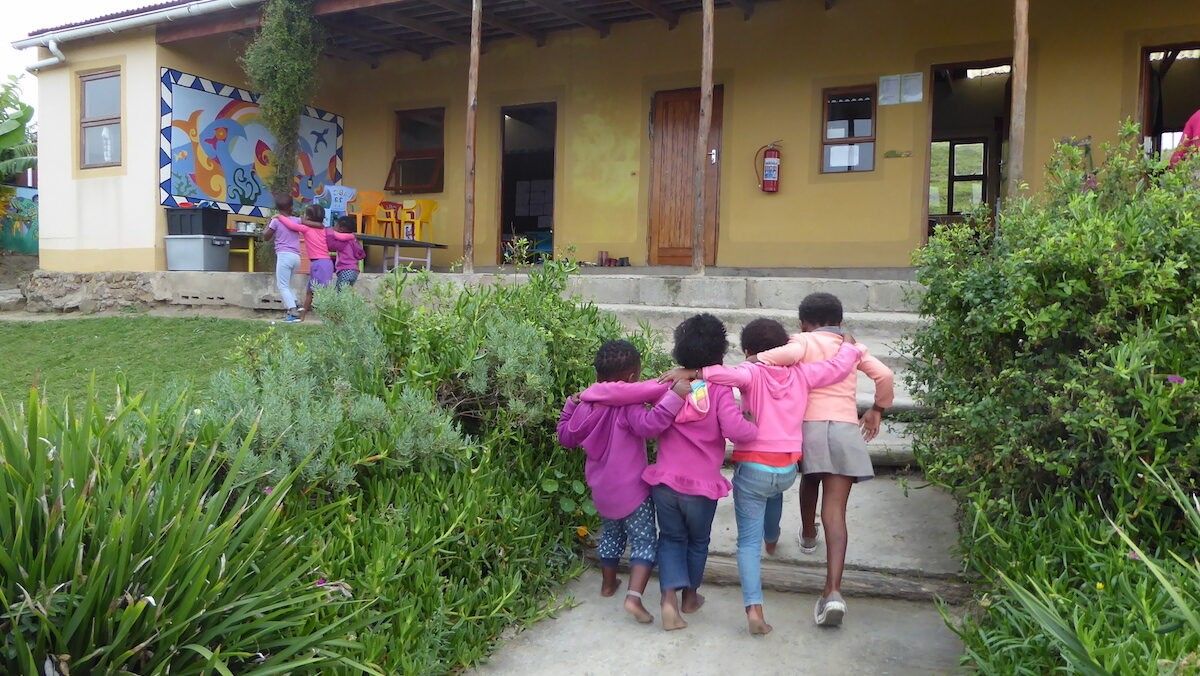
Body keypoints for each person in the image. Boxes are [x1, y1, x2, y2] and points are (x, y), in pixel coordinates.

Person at [661, 318, 862, 636]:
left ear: (748, 351)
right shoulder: (803, 374)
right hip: (786, 469)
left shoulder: (750, 373)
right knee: (774, 493)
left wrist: (693, 372)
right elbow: (837, 369)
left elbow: (723, 374)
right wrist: (850, 348)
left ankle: (754, 609)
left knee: (747, 543)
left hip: (754, 467)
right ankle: (773, 536)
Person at [754, 292, 894, 627]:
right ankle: (832, 592)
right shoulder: (852, 346)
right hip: (845, 429)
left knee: (810, 478)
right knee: (836, 511)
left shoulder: (801, 342)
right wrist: (877, 409)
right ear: (840, 321)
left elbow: (765, 360)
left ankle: (807, 535)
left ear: (804, 322)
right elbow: (885, 376)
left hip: (808, 428)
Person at [557, 340, 689, 624]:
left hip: (602, 490)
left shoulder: (585, 406)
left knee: (611, 534)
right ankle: (634, 597)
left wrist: (570, 404)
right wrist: (674, 398)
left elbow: (565, 436)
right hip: (633, 492)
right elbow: (651, 425)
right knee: (644, 541)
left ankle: (608, 585)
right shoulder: (629, 406)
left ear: (598, 374)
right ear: (632, 377)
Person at [643, 313, 758, 631]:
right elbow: (736, 430)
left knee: (670, 539)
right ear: (719, 352)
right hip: (701, 489)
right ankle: (690, 598)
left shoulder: (671, 385)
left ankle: (668, 601)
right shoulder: (720, 390)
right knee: (697, 542)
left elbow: (650, 417)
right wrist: (753, 423)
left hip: (665, 483)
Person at [276, 204, 355, 318]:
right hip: (320, 264)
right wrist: (352, 236)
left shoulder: (306, 228)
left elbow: (291, 225)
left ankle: (332, 318)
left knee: (324, 293)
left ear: (308, 218)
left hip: (321, 264)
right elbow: (341, 236)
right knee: (310, 292)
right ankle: (302, 317)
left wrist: (279, 216)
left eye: (305, 214)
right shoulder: (324, 229)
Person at [261, 192, 302, 323]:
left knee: (282, 285)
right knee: (288, 284)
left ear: (277, 208)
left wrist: (270, 221)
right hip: (297, 257)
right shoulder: (297, 220)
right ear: (291, 207)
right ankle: (296, 304)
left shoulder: (276, 221)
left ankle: (293, 311)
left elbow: (266, 236)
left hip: (284, 256)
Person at [328, 215, 366, 289]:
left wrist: (328, 232)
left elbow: (331, 246)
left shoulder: (344, 241)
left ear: (341, 229)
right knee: (346, 292)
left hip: (345, 270)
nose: (333, 228)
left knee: (339, 293)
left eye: (335, 226)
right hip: (354, 271)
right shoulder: (353, 240)